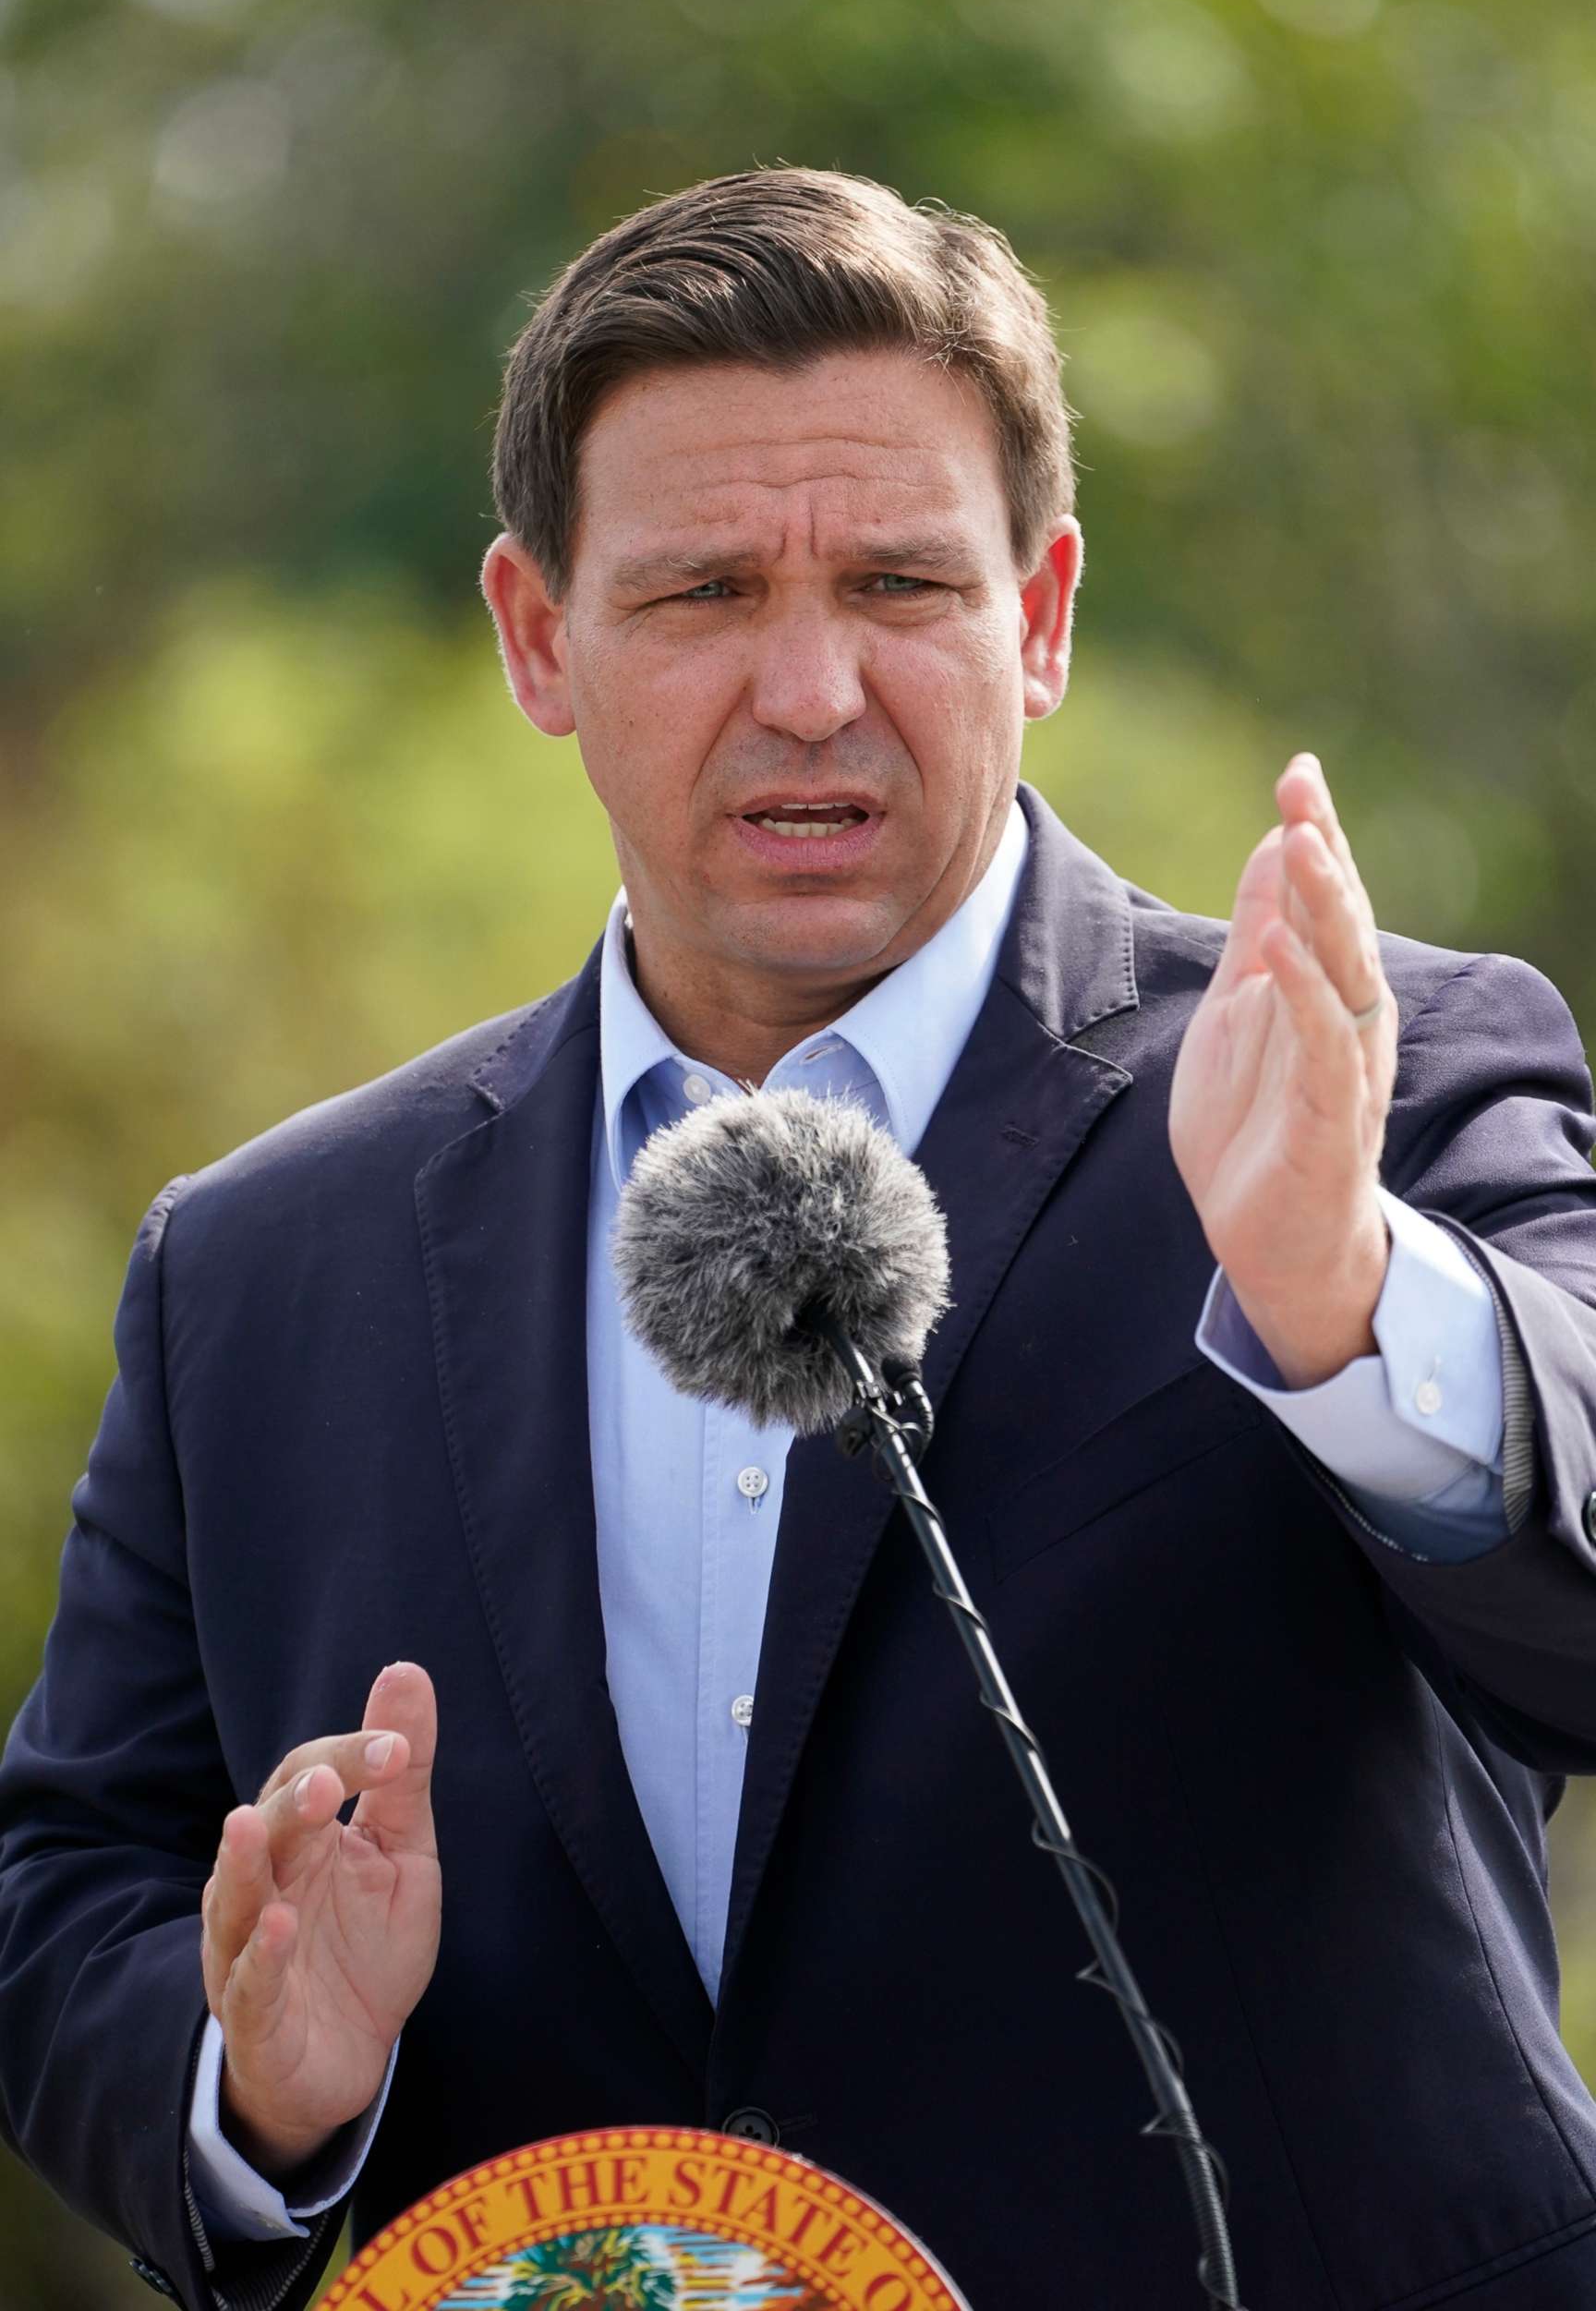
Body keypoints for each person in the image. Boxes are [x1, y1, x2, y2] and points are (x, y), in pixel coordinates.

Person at [3, 167, 1596, 2311]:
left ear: (1037, 614)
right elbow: (70, 1882)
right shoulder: (263, 1269)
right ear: (539, 638)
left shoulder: (1359, 1086)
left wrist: (1343, 1299)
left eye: (901, 584)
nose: (815, 687)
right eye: (704, 595)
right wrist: (259, 2078)